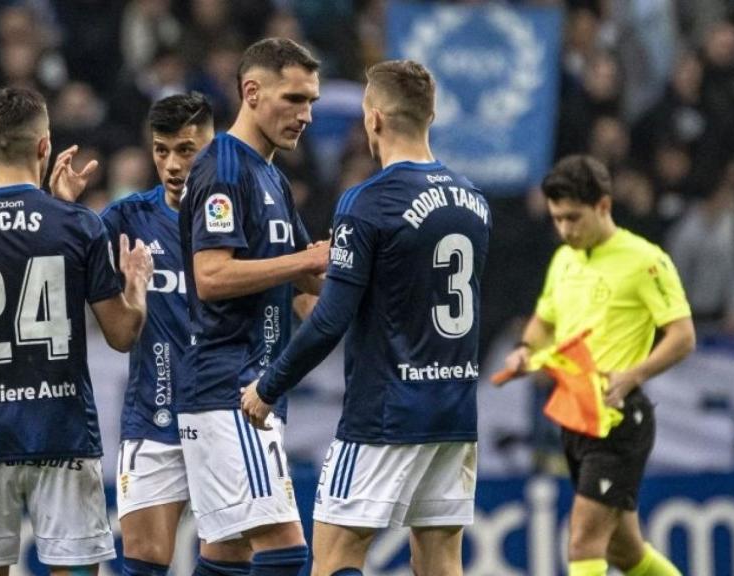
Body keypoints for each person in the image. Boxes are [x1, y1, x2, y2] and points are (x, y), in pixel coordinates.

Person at [242, 59, 490, 576]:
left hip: (384, 414)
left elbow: (332, 320)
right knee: (442, 561)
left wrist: (269, 387)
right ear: (431, 115)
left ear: (373, 119)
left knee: (334, 558)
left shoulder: (368, 201)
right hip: (454, 410)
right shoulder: (474, 201)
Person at [0, 86, 153, 576]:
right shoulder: (79, 224)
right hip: (63, 434)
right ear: (45, 147)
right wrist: (136, 286)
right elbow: (122, 334)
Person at [50, 92, 255, 576]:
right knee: (144, 560)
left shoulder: (246, 212)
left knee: (228, 559)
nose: (172, 164)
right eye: (162, 150)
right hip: (153, 414)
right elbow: (59, 275)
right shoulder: (127, 219)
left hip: (227, 414)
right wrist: (65, 211)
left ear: (214, 143)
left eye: (187, 150)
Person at [496, 155, 695, 576]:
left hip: (618, 419)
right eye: (557, 219)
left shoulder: (645, 260)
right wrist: (523, 350)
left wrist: (633, 374)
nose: (565, 229)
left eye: (573, 218)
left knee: (583, 539)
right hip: (576, 418)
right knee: (627, 552)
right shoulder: (564, 260)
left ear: (603, 206)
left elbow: (683, 336)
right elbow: (544, 319)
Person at [178, 37, 329, 576]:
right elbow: (212, 276)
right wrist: (301, 266)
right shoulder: (222, 166)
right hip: (227, 387)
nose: (306, 115)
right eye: (293, 99)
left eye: (310, 101)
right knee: (286, 551)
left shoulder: (273, 178)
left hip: (253, 389)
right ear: (251, 92)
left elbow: (309, 280)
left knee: (227, 556)